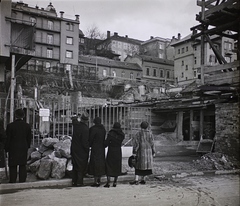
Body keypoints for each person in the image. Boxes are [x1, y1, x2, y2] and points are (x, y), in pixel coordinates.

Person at [5, 109, 32, 183]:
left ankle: (12, 180)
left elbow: (8, 138)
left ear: (15, 115)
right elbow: (29, 138)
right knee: (22, 164)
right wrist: (27, 146)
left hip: (13, 147)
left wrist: (6, 148)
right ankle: (22, 180)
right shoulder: (27, 126)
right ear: (23, 116)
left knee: (13, 165)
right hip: (23, 147)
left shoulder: (10, 126)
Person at [71, 112, 90, 187]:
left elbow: (74, 120)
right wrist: (87, 149)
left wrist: (75, 117)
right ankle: (79, 182)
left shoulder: (76, 125)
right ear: (87, 120)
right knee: (81, 166)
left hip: (74, 148)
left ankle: (74, 181)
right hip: (81, 150)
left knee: (75, 165)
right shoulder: (85, 129)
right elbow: (84, 142)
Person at [104, 122, 125, 188]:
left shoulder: (111, 133)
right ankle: (115, 182)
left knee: (109, 165)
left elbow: (106, 143)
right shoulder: (122, 134)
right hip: (118, 151)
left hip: (111, 151)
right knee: (117, 165)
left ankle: (108, 182)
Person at [88, 117, 106, 187]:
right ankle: (99, 179)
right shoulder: (103, 129)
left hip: (95, 148)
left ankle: (95, 181)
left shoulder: (93, 129)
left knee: (94, 163)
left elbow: (90, 138)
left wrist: (89, 145)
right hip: (101, 148)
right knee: (100, 163)